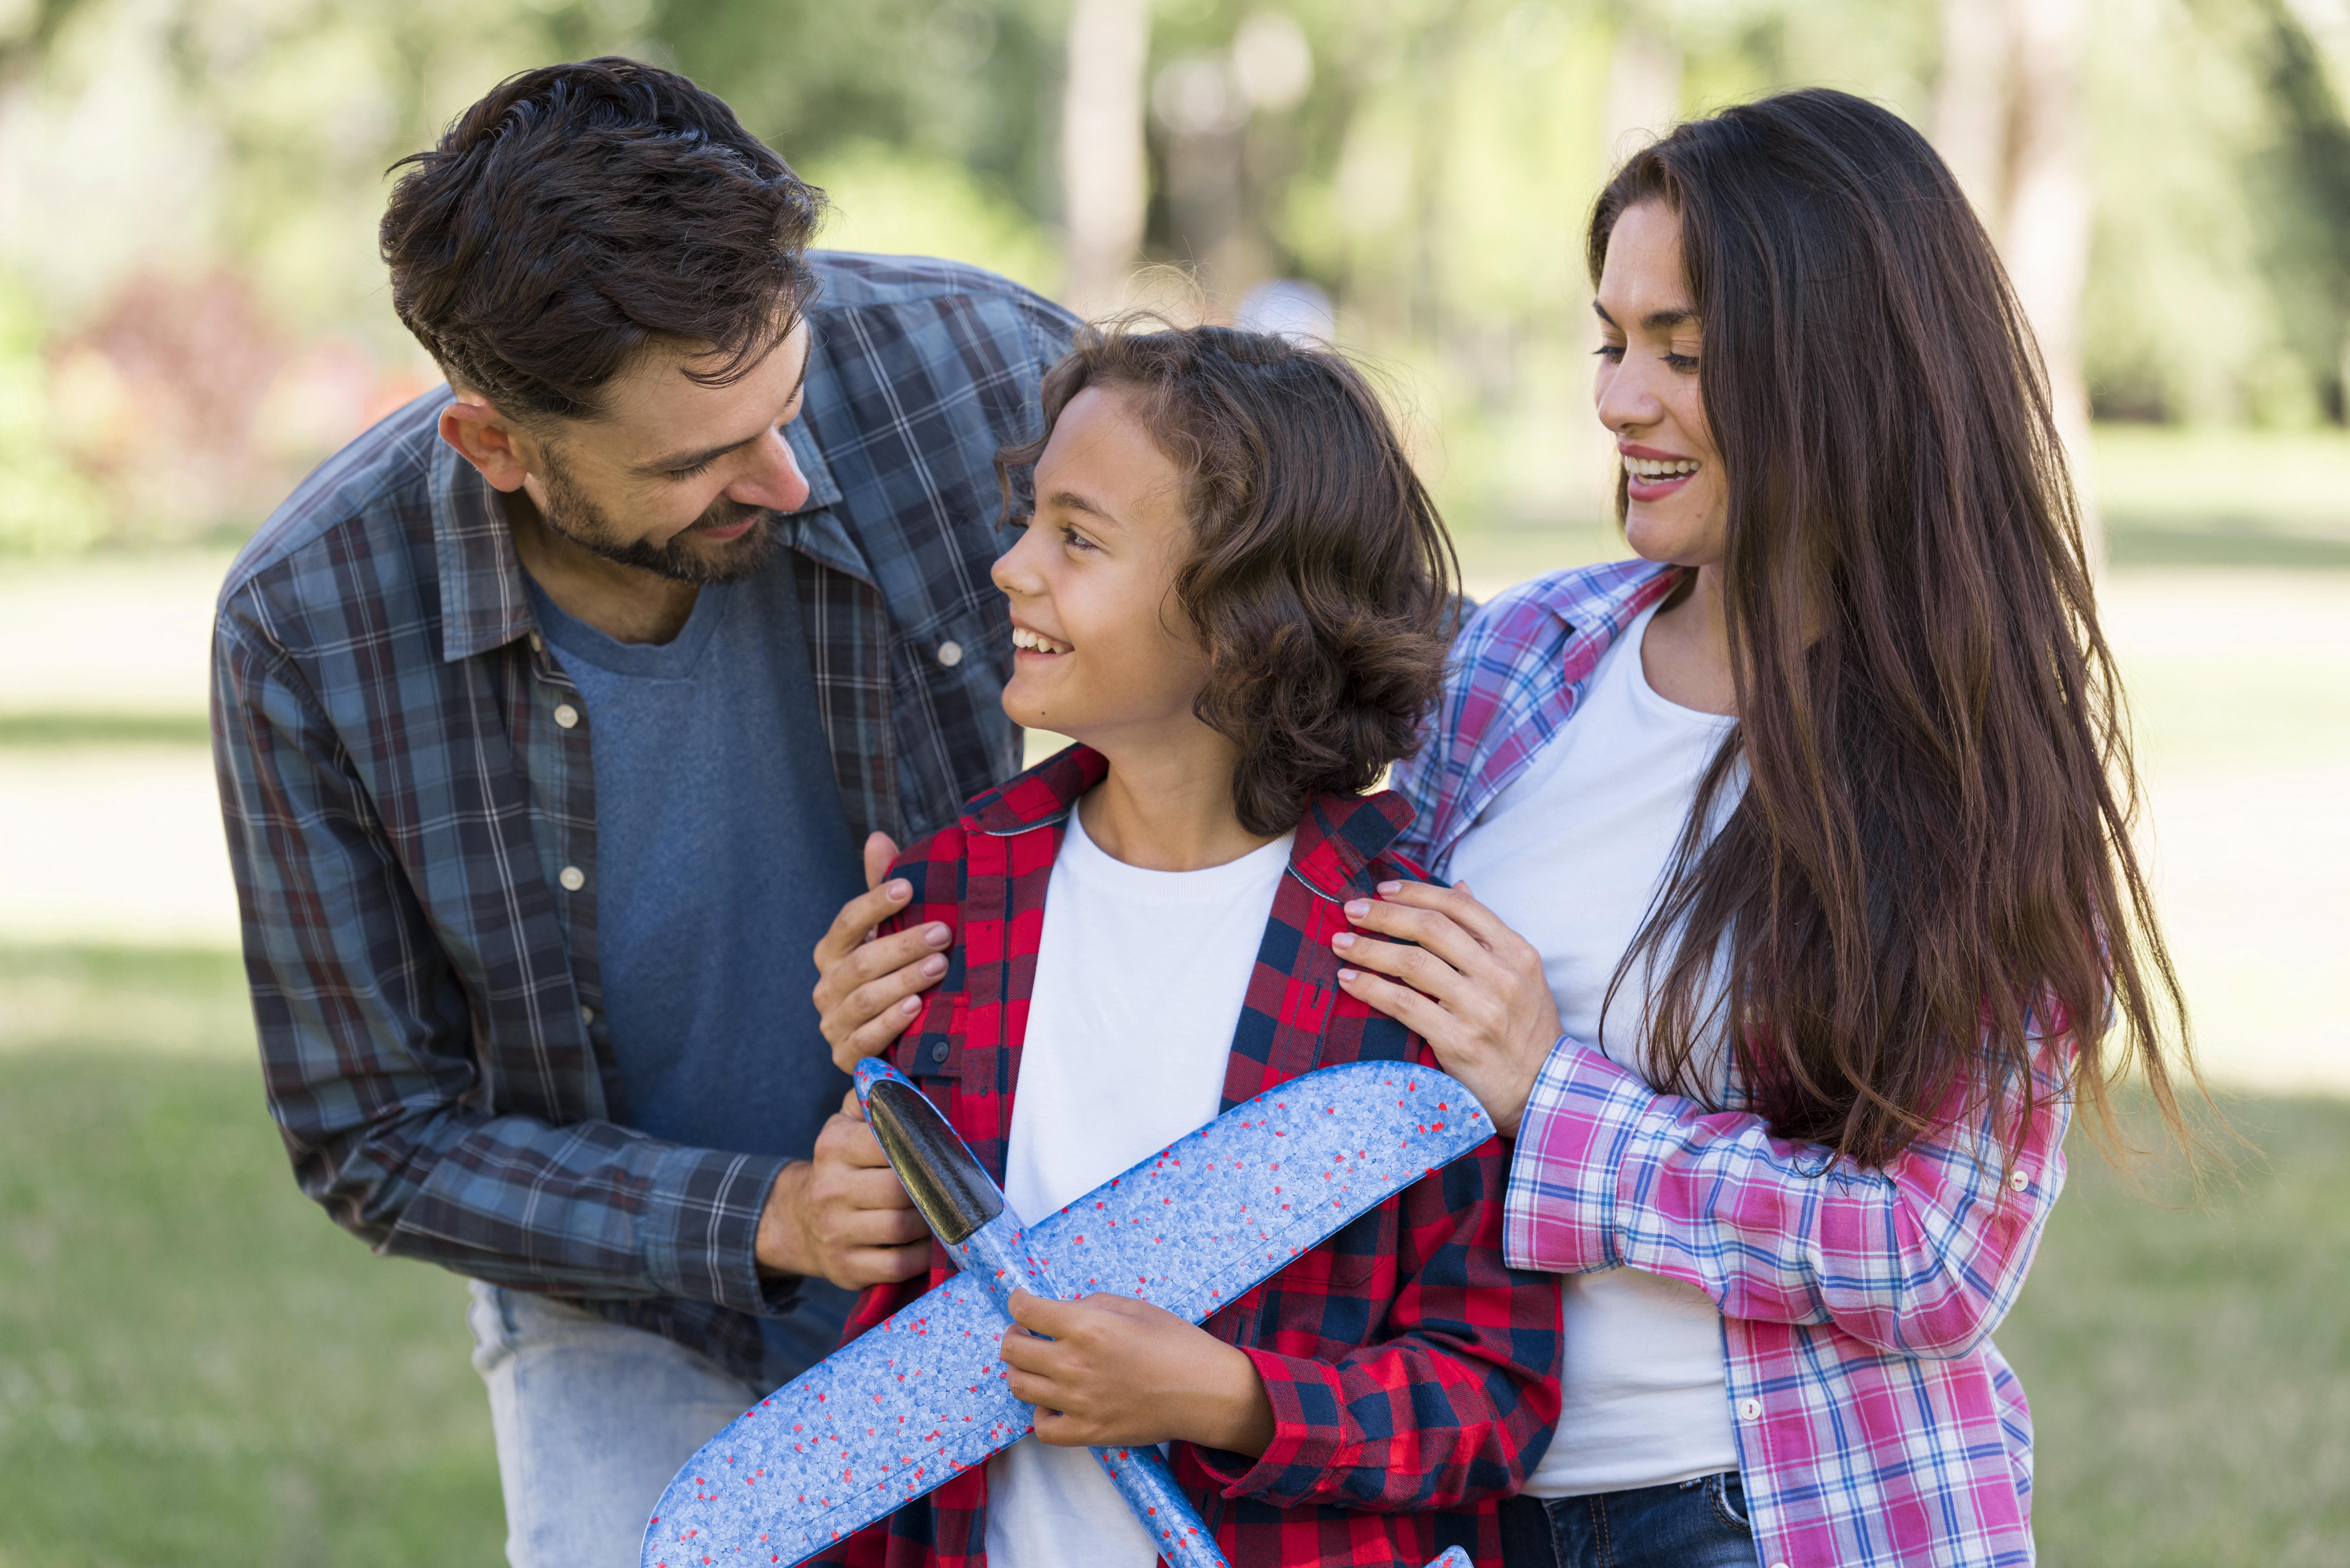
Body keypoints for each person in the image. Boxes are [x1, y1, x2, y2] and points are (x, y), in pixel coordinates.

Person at [210, 58, 1074, 1567]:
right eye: (695, 461)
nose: (787, 478)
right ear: (496, 446)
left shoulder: (984, 368)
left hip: (1033, 1216)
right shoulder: (308, 627)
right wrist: (775, 1217)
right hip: (632, 1292)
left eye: (787, 401)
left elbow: (1316, 642)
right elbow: (377, 1133)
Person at [1324, 91, 2199, 1568]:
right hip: (1461, 1506)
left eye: (1683, 353)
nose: (1620, 401)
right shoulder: (1518, 663)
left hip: (1773, 1514)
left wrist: (1552, 1098)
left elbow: (1930, 1256)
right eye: (1611, 342)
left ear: (1840, 371)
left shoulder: (1975, 769)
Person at [813, 323, 1562, 1568]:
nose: (1010, 565)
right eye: (1029, 519)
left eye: (1077, 537)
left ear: (1240, 614)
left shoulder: (1411, 959)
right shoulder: (941, 909)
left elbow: (1493, 1397)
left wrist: (1230, 1398)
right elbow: (902, 1337)